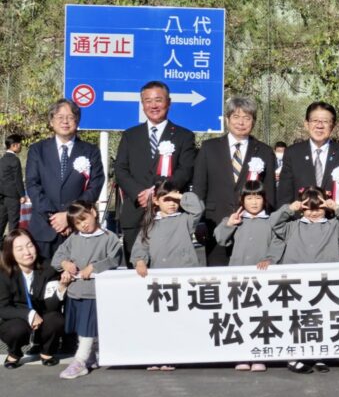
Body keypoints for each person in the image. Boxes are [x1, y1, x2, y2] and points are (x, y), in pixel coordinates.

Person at [272, 186, 339, 374]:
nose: (314, 212)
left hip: (324, 283)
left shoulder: (333, 226)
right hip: (296, 282)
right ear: (302, 208)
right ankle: (294, 356)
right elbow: (274, 223)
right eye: (309, 208)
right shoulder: (293, 226)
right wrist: (290, 208)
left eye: (318, 208)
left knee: (321, 317)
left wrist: (336, 207)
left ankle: (319, 355)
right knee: (296, 318)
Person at [115, 80, 196, 265]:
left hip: (169, 215)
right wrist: (139, 193)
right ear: (142, 104)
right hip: (136, 212)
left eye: (158, 100)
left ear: (169, 102)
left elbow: (185, 170)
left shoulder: (184, 136)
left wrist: (157, 193)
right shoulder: (130, 135)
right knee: (137, 271)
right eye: (148, 101)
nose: (153, 105)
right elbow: (120, 169)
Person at [193, 97, 276, 266]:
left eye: (247, 118)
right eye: (236, 117)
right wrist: (199, 222)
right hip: (215, 224)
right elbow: (199, 188)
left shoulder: (265, 151)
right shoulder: (209, 148)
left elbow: (270, 193)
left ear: (253, 122)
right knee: (218, 275)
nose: (241, 122)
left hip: (252, 228)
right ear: (227, 119)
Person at [213, 180, 284, 373]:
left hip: (262, 277)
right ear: (242, 200)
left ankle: (259, 355)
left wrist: (270, 259)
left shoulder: (271, 221)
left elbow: (278, 242)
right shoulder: (235, 219)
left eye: (258, 197)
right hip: (239, 276)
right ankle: (242, 354)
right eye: (249, 198)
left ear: (264, 200)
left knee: (262, 317)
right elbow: (220, 238)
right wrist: (229, 224)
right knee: (240, 316)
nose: (254, 202)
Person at [25, 99, 105, 262]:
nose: (65, 121)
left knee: (78, 274)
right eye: (60, 117)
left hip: (78, 228)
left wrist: (69, 216)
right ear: (51, 121)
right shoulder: (37, 150)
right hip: (44, 229)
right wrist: (54, 217)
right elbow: (33, 185)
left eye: (70, 117)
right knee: (44, 276)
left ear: (77, 121)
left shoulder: (90, 151)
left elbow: (95, 186)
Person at [52, 200, 123, 379]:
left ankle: (79, 361)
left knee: (87, 328)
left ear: (94, 212)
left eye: (84, 219)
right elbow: (57, 257)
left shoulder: (109, 237)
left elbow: (114, 259)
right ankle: (90, 357)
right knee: (80, 327)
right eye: (77, 223)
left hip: (94, 291)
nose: (82, 225)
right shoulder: (74, 238)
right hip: (75, 290)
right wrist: (65, 263)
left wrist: (94, 267)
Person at [0, 229, 69, 368]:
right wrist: (29, 314)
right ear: (10, 253)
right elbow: (2, 307)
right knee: (15, 330)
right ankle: (14, 353)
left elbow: (51, 306)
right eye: (19, 249)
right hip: (17, 318)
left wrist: (61, 287)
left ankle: (47, 352)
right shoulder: (3, 273)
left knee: (56, 319)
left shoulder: (48, 267)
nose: (27, 252)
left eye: (29, 245)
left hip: (43, 314)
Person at [277, 101, 339, 211]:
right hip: (300, 220)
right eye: (315, 120)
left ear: (333, 126)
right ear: (306, 124)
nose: (319, 126)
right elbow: (284, 196)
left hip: (335, 220)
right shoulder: (292, 153)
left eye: (325, 121)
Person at [132, 180, 204, 277]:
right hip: (160, 273)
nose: (172, 204)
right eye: (166, 199)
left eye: (175, 200)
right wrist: (140, 261)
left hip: (186, 273)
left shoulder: (186, 219)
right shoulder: (150, 225)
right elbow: (140, 247)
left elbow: (198, 208)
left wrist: (180, 196)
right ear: (156, 201)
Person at [0, 134, 26, 241]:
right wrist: (22, 195)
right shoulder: (15, 160)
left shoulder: (2, 160)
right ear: (14, 145)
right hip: (13, 197)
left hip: (2, 197)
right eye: (20, 144)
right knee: (13, 223)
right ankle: (11, 245)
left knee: (1, 221)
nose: (21, 146)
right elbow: (17, 180)